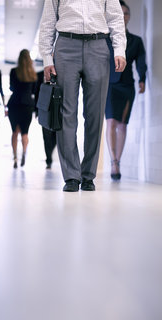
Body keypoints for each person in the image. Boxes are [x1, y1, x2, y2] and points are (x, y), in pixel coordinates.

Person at [39, 0, 127, 192]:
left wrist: (120, 50)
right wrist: (47, 58)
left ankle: (88, 175)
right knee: (65, 114)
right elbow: (47, 21)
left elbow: (115, 17)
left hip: (98, 46)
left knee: (95, 115)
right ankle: (71, 176)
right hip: (65, 46)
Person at [105, 0, 147, 180]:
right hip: (108, 85)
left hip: (127, 85)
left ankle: (117, 162)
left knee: (122, 124)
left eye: (126, 14)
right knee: (111, 123)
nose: (123, 17)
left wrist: (142, 79)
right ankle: (113, 160)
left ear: (129, 17)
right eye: (119, 13)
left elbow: (142, 62)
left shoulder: (136, 41)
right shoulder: (105, 38)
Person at [7, 49, 37, 169]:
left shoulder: (14, 72)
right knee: (25, 133)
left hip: (14, 104)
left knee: (15, 131)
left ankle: (15, 157)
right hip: (28, 105)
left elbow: (11, 87)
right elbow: (34, 91)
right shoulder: (33, 74)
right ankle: (24, 153)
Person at [35, 70, 57, 169]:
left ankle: (49, 155)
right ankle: (49, 159)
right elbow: (36, 93)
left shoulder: (63, 72)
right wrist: (37, 110)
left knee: (56, 136)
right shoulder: (39, 75)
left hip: (58, 109)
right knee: (46, 136)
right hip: (44, 109)